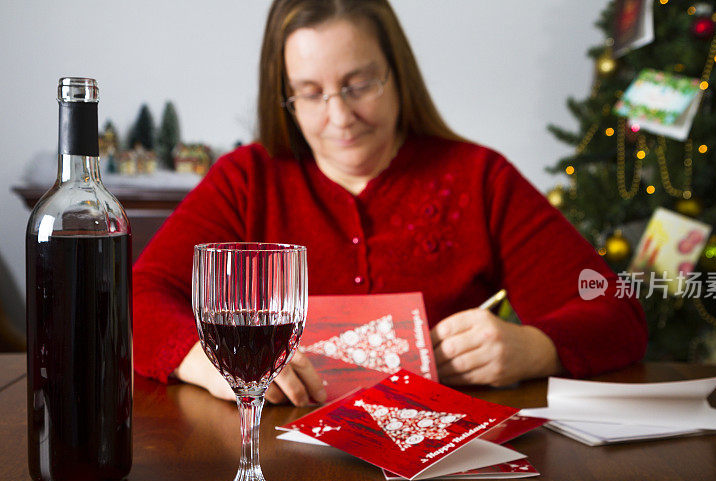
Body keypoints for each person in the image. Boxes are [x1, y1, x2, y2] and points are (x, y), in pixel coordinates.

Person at [132, 0, 648, 405]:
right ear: (283, 97)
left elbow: (615, 313)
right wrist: (207, 364)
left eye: (359, 84)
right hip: (270, 473)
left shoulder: (478, 178)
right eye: (310, 93)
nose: (339, 116)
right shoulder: (247, 179)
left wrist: (536, 349)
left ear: (398, 74)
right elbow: (138, 296)